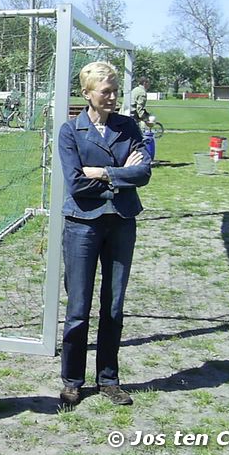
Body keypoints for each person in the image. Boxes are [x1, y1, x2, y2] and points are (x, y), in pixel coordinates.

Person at [57, 62, 151, 408]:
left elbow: (142, 173)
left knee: (113, 305)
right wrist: (120, 175)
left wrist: (104, 172)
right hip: (82, 224)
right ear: (87, 94)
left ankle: (109, 379)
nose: (112, 97)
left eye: (115, 91)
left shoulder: (128, 127)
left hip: (122, 222)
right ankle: (72, 381)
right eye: (105, 91)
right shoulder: (71, 131)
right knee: (78, 306)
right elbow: (77, 184)